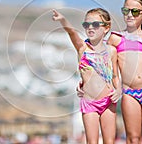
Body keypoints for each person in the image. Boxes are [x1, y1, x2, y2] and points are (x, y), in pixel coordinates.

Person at [77, 0, 142, 143]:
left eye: (135, 11)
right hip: (129, 93)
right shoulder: (115, 38)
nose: (129, 15)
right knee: (133, 138)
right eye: (126, 11)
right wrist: (83, 83)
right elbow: (96, 58)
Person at [52, 8, 122, 144]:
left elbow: (115, 76)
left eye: (95, 24)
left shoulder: (112, 51)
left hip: (108, 102)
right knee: (92, 141)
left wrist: (119, 90)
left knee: (110, 141)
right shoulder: (82, 48)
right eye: (86, 24)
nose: (90, 27)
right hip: (89, 103)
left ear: (106, 27)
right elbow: (71, 32)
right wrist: (62, 20)